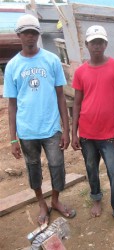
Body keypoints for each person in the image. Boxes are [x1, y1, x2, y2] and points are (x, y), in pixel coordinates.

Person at [3, 14, 76, 225]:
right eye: (26, 32)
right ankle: (41, 203)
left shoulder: (51, 60)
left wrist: (66, 129)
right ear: (19, 35)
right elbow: (12, 105)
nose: (30, 36)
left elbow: (61, 96)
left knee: (57, 166)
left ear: (38, 34)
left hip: (51, 128)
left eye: (33, 32)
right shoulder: (12, 66)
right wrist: (13, 139)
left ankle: (55, 200)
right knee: (33, 167)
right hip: (26, 130)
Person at [71, 25, 114, 231]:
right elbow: (77, 103)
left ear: (105, 44)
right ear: (86, 44)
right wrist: (74, 133)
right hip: (87, 134)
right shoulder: (80, 71)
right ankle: (96, 197)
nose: (97, 46)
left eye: (100, 42)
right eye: (93, 42)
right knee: (91, 169)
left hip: (109, 135)